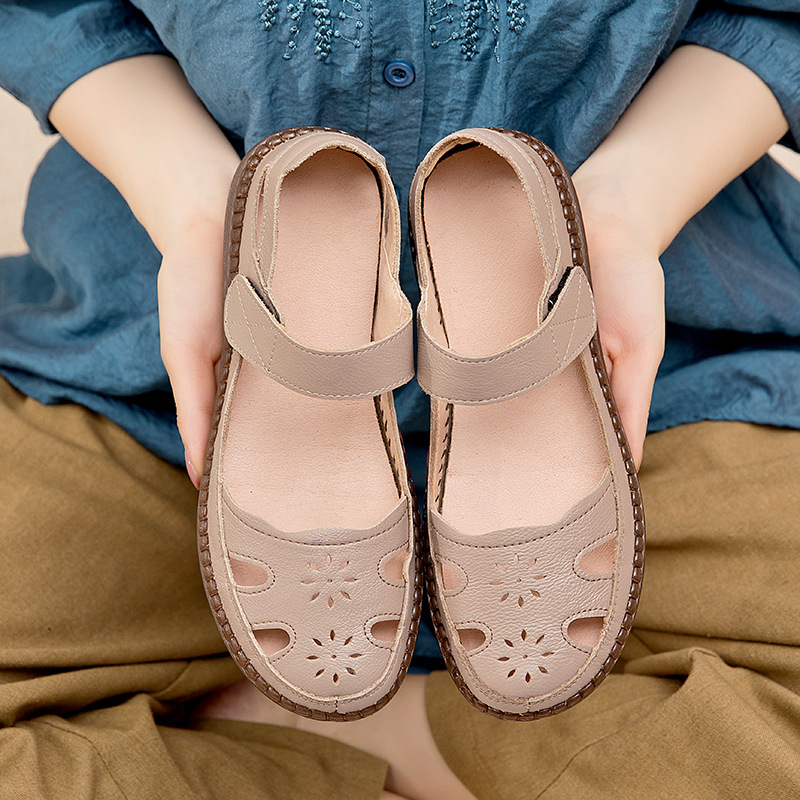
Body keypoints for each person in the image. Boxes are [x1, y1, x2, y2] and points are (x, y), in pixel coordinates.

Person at [1, 2, 799, 797]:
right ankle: (504, 754)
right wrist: (192, 207)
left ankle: (353, 731)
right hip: (139, 369)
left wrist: (627, 207)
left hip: (680, 367)